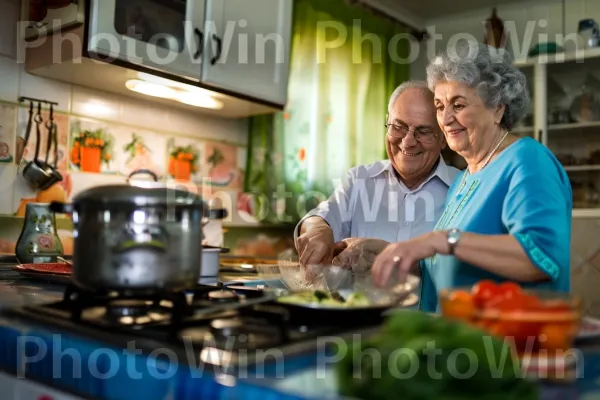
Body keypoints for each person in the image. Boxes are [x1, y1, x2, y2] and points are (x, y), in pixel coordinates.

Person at [371, 41, 572, 312]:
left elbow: (542, 257)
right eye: (440, 106)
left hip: (510, 347)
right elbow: (448, 265)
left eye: (459, 104)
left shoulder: (527, 160)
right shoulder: (464, 180)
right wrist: (384, 251)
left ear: (498, 108)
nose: (446, 118)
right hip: (460, 346)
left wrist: (439, 240)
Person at [294, 81, 460, 270]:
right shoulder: (359, 180)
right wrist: (318, 229)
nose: (407, 142)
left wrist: (390, 257)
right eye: (398, 127)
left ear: (444, 138)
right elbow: (319, 217)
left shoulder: (463, 188)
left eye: (423, 132)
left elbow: (461, 271)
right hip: (356, 300)